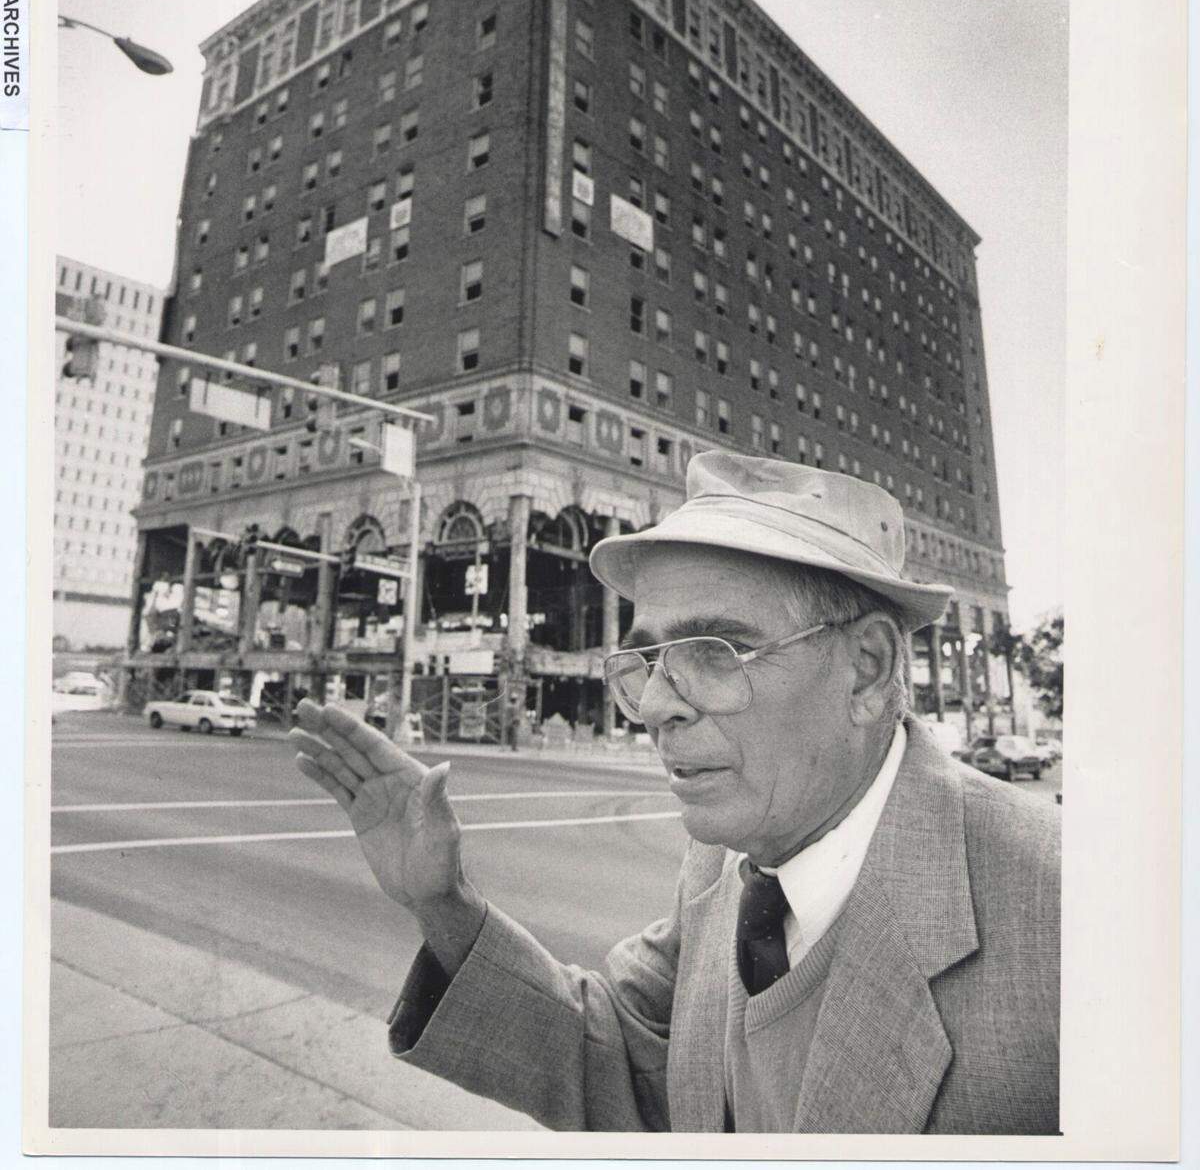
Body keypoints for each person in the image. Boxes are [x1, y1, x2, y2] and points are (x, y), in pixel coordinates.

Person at [291, 451, 1059, 1134]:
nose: (657, 703)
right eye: (646, 660)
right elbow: (616, 1052)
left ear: (866, 668)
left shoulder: (1072, 924)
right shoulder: (722, 864)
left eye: (714, 651)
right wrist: (444, 902)